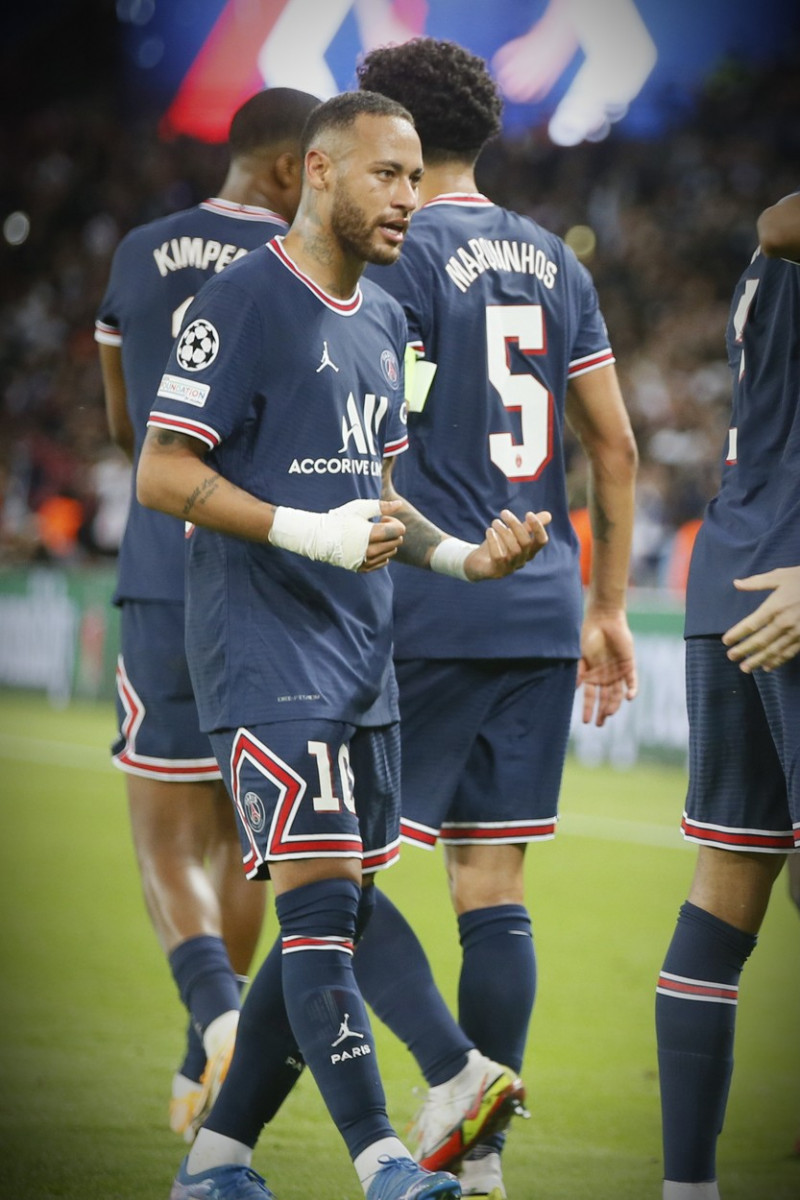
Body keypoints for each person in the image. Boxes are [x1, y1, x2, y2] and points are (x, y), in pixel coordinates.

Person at [137, 89, 551, 1200]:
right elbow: (162, 472)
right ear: (317, 173)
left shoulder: (383, 319)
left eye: (416, 177)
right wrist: (298, 528)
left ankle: (217, 1160)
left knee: (337, 911)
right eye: (387, 174)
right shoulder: (241, 300)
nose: (408, 199)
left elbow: (379, 501)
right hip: (264, 658)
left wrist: (465, 559)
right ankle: (384, 1158)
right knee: (321, 907)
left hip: (363, 665)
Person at [354, 38, 638, 1200]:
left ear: (398, 140)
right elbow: (609, 444)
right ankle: (483, 1171)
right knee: (491, 888)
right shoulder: (549, 261)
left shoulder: (398, 245)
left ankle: (437, 1082)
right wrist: (607, 608)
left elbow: (371, 430)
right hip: (543, 603)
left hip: (433, 597)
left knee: (335, 880)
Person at [94, 86, 321, 1142]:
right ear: (290, 171)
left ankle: (216, 1020)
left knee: (161, 837)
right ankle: (207, 1062)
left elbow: (120, 419)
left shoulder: (139, 248)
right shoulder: (303, 269)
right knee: (245, 842)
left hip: (158, 570)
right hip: (267, 581)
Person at [654, 190, 800, 1199]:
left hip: (735, 568)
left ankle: (686, 1187)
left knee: (729, 887)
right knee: (729, 884)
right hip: (786, 584)